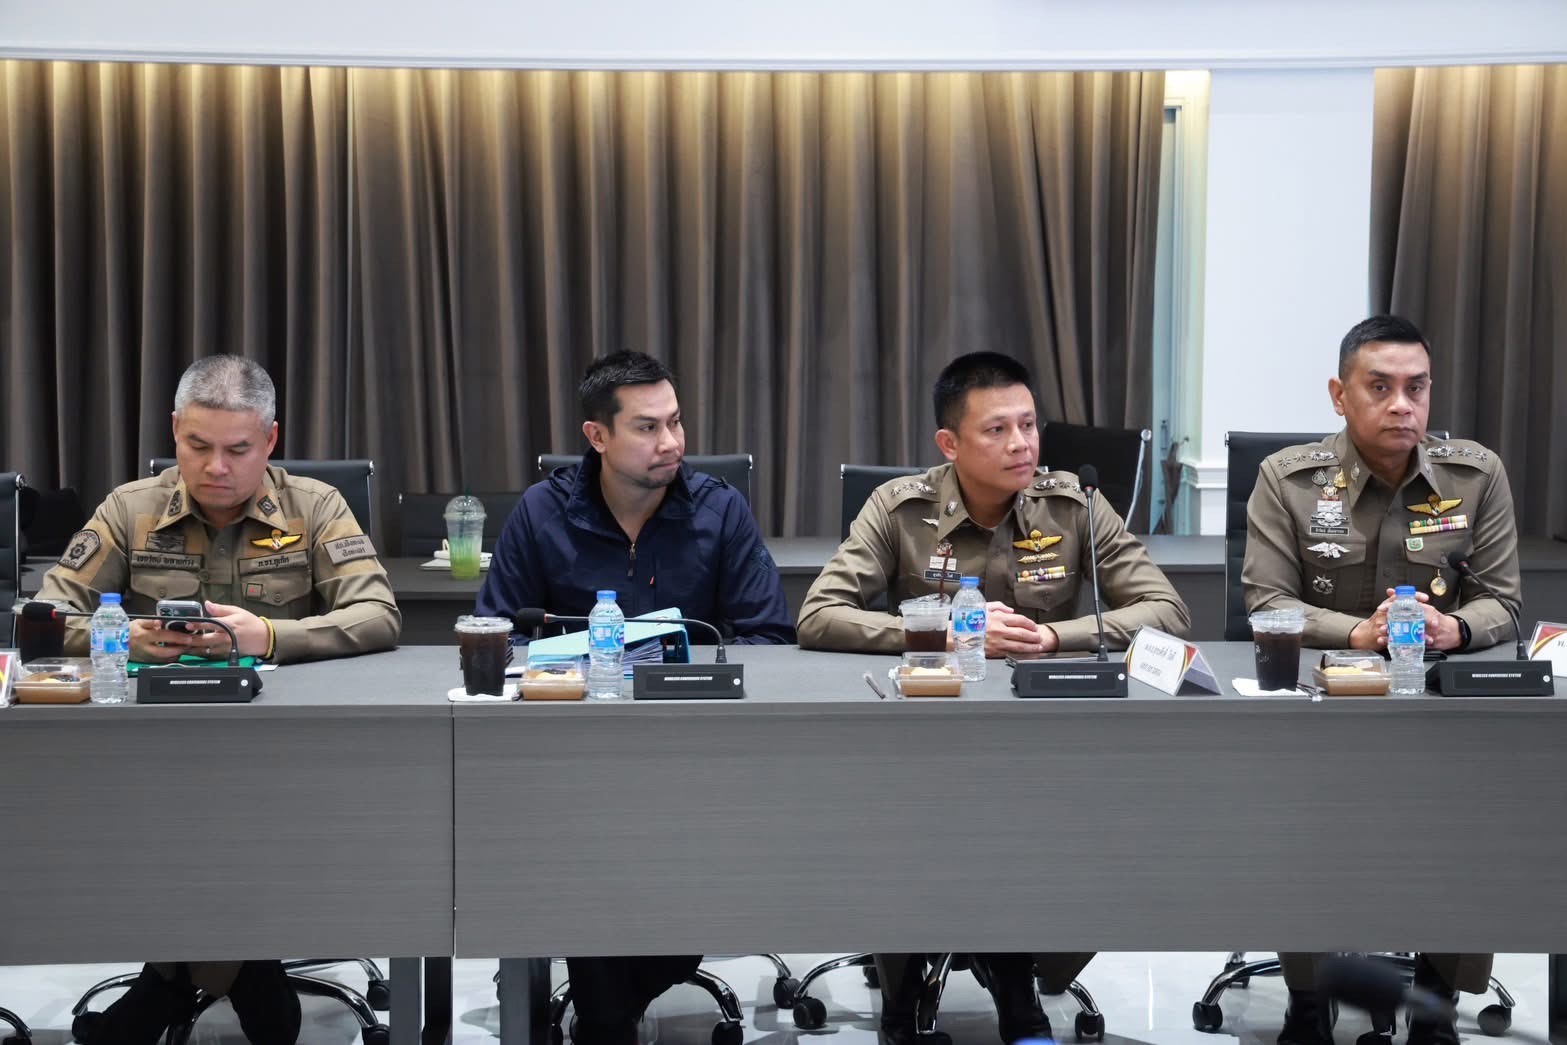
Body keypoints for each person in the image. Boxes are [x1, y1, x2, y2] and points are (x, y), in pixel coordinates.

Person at [797, 351, 1189, 1045]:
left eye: (1028, 425)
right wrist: (937, 633)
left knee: (1107, 824)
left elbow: (1167, 610)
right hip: (921, 745)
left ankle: (1018, 969)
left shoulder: (1074, 504)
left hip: (1041, 743)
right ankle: (904, 981)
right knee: (907, 815)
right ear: (949, 444)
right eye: (997, 430)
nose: (1021, 445)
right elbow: (819, 614)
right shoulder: (900, 507)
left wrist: (1052, 636)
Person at [35, 354, 401, 1045]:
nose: (216, 467)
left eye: (238, 449)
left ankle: (173, 978)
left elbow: (378, 614)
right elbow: (46, 617)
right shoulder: (130, 508)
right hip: (156, 752)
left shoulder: (315, 506)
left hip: (282, 753)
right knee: (166, 813)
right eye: (198, 445)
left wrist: (270, 634)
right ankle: (244, 966)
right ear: (175, 430)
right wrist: (120, 634)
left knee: (237, 817)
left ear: (270, 439)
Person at [478, 349, 793, 1045]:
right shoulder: (542, 512)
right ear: (597, 436)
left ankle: (603, 1009)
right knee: (587, 852)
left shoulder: (719, 509)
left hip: (697, 756)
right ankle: (603, 1013)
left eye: (675, 422)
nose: (671, 442)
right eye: (648, 427)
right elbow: (499, 635)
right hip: (572, 759)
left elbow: (769, 636)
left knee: (654, 879)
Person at [1243, 314, 1519, 1045]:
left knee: (1480, 813)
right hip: (1321, 713)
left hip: (1439, 714)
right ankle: (1308, 998)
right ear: (1340, 395)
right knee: (1297, 821)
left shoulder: (1475, 475)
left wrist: (1453, 628)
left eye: (1416, 388)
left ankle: (1438, 996)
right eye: (1380, 387)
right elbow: (1267, 603)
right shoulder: (1288, 480)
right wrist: (1356, 633)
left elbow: (1503, 602)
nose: (1402, 405)